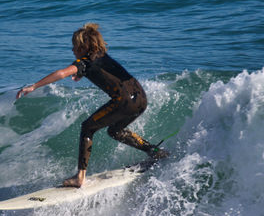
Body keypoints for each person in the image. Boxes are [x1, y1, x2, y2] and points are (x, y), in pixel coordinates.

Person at [16, 23, 167, 187]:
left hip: (123, 102)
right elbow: (102, 72)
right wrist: (81, 73)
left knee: (87, 127)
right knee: (115, 131)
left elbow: (61, 73)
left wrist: (34, 86)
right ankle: (155, 151)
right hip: (141, 98)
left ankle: (80, 177)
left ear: (82, 47)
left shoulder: (84, 63)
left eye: (74, 46)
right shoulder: (102, 55)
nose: (72, 50)